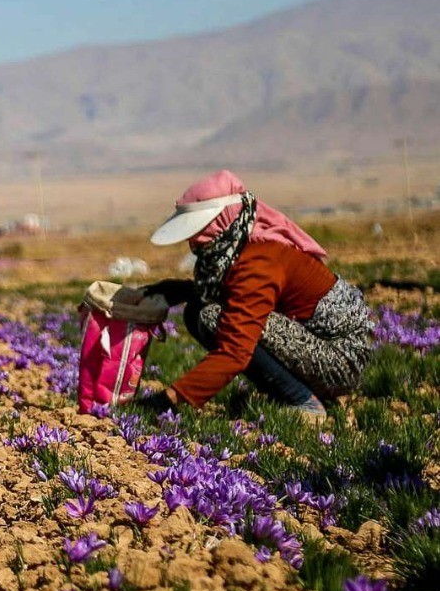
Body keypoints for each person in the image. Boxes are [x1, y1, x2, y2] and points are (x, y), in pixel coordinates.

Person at [138, 170, 372, 421]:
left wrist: (172, 398)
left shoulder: (259, 260)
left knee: (212, 317)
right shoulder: (240, 245)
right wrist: (177, 290)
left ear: (221, 220)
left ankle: (302, 400)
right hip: (324, 349)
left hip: (340, 361)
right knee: (199, 310)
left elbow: (236, 350)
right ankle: (288, 390)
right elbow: (233, 293)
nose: (194, 241)